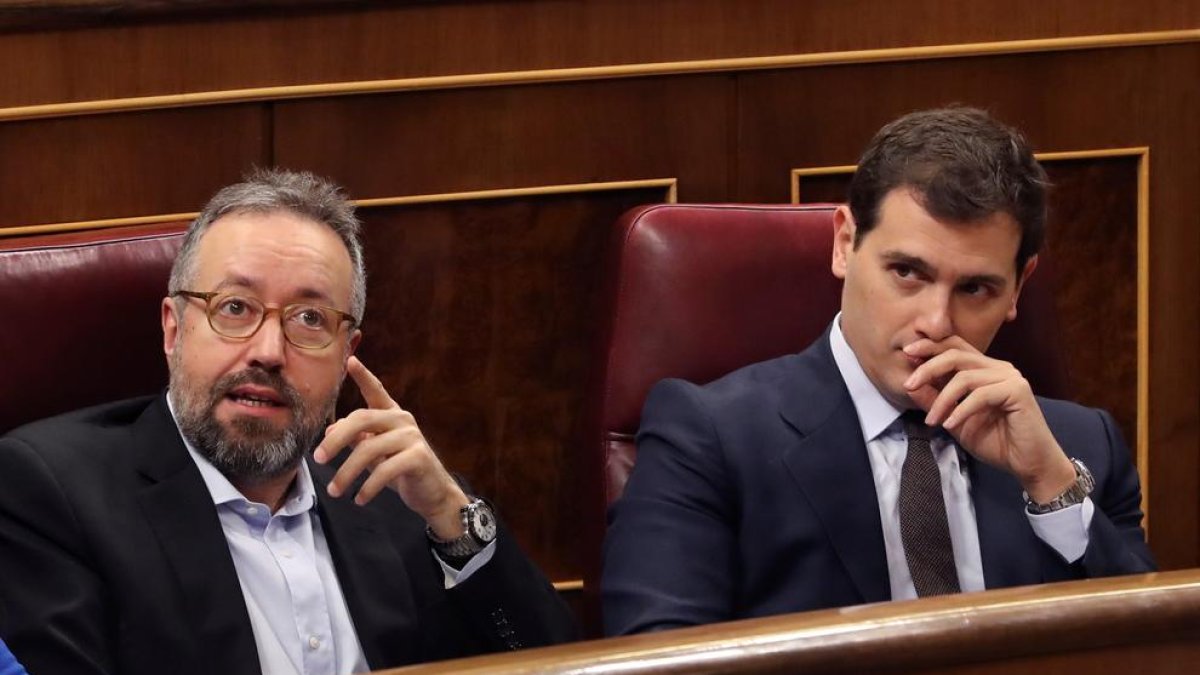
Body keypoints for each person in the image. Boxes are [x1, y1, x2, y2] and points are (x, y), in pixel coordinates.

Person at [602, 107, 1155, 635]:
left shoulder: (1081, 448)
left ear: (1019, 286)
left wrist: (1050, 486)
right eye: (907, 272)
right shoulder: (711, 437)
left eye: (975, 288)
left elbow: (1152, 653)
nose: (937, 322)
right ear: (845, 243)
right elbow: (658, 651)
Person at [0, 169, 575, 674]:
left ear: (347, 351)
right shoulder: (52, 494)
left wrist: (454, 521)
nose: (269, 350)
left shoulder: (390, 490)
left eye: (308, 319)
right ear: (174, 329)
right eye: (234, 308)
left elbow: (562, 665)